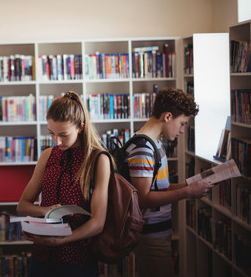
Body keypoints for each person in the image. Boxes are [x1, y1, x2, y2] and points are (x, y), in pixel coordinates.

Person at [17, 91, 112, 277]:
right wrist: (44, 211)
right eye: (51, 133)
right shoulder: (47, 156)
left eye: (64, 135)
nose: (57, 141)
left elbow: (98, 222)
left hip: (78, 258)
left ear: (81, 127)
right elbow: (22, 206)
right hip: (42, 255)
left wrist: (63, 240)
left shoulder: (98, 160)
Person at [126, 87, 213, 277]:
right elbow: (143, 198)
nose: (182, 131)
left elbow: (161, 188)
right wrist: (188, 193)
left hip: (158, 233)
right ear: (167, 116)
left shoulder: (155, 143)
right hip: (150, 236)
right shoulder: (143, 148)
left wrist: (192, 184)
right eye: (182, 123)